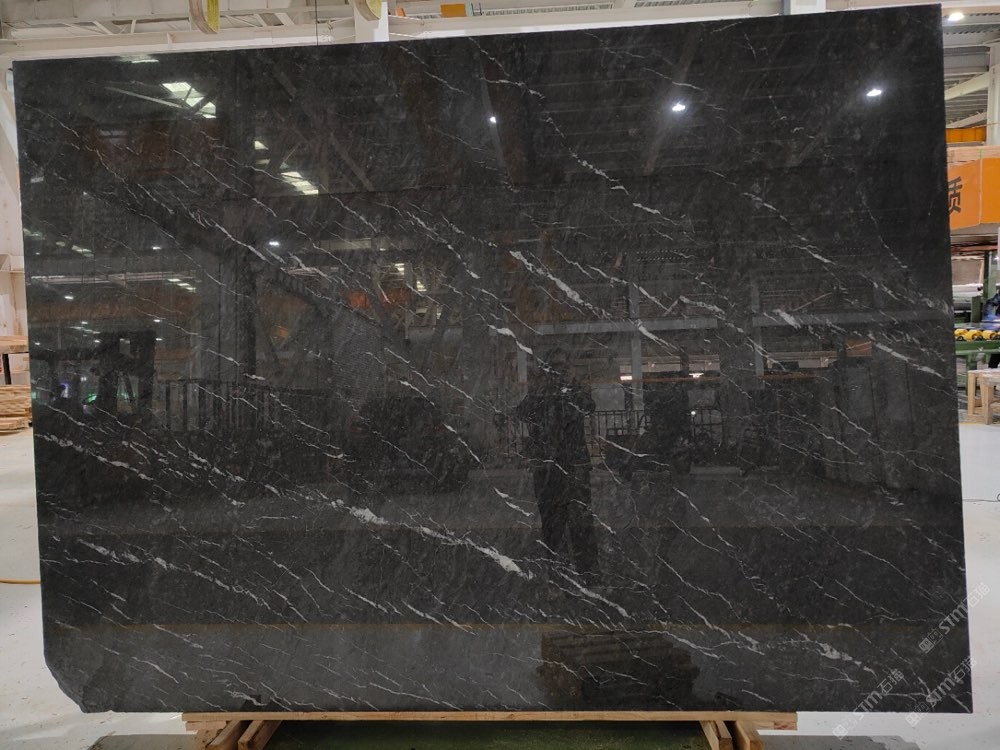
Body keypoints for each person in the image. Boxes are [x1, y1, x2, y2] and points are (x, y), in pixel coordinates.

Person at [515, 348, 599, 580]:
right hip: (551, 468)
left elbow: (588, 406)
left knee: (580, 522)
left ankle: (586, 573)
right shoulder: (541, 393)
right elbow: (523, 412)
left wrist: (569, 387)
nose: (559, 372)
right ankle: (561, 574)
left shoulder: (574, 391)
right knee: (554, 525)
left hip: (570, 466)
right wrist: (545, 391)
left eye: (563, 367)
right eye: (555, 367)